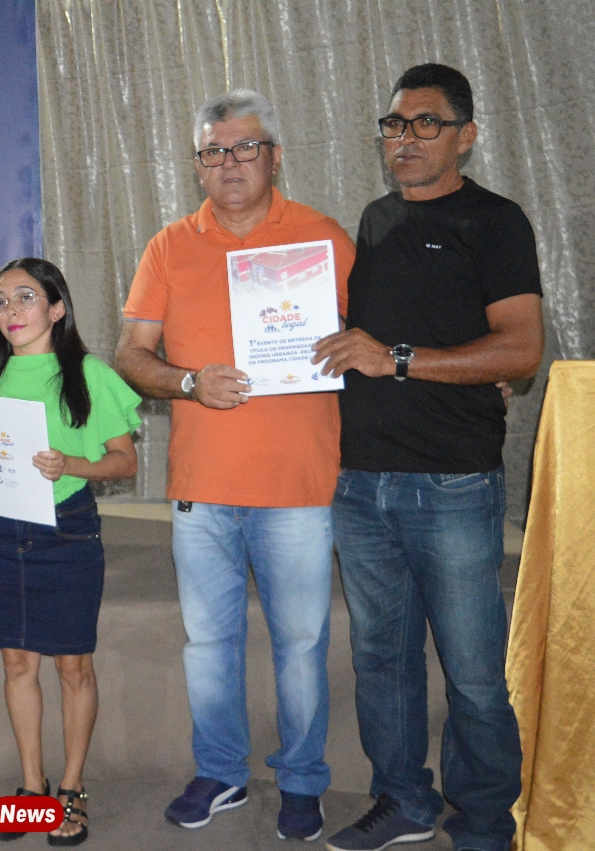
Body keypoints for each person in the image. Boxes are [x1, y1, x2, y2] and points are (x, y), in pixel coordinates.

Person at [115, 90, 355, 842]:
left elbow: (378, 337)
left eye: (245, 147)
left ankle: (303, 780)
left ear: (274, 157)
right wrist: (189, 381)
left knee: (302, 646)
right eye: (213, 151)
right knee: (209, 646)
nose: (230, 163)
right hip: (202, 488)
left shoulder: (323, 237)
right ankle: (219, 771)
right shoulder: (168, 245)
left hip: (299, 485)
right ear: (197, 165)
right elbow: (130, 355)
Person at [313, 64, 542, 851]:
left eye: (425, 124)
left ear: (465, 136)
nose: (404, 139)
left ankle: (485, 821)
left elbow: (521, 349)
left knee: (474, 672)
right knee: (382, 659)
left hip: (451, 483)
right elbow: (360, 342)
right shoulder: (374, 220)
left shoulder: (497, 221)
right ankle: (404, 799)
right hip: (359, 482)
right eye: (393, 124)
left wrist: (399, 359)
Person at [0, 258, 141, 846]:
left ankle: (72, 787)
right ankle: (32, 788)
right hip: (0, 531)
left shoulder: (88, 374)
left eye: (24, 297)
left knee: (72, 666)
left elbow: (124, 461)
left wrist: (71, 464)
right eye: (0, 301)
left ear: (57, 308)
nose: (10, 310)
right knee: (16, 664)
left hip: (67, 529)